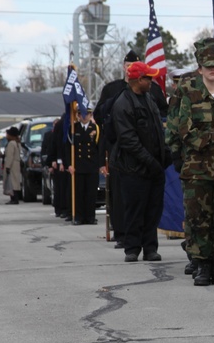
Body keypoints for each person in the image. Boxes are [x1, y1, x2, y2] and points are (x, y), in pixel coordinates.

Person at [171, 38, 214, 286]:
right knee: (199, 219)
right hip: (198, 168)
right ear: (200, 68)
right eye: (208, 66)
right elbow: (184, 130)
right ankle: (201, 264)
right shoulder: (189, 92)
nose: (213, 70)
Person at [112, 61, 170, 263]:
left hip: (153, 167)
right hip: (133, 168)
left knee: (153, 210)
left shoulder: (149, 99)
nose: (151, 81)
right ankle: (132, 248)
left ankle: (150, 248)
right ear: (137, 80)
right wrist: (151, 162)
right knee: (135, 209)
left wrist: (165, 156)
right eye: (148, 78)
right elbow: (129, 140)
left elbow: (158, 131)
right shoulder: (123, 104)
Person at [95, 49, 141, 247]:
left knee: (141, 195)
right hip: (118, 149)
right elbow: (99, 118)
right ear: (124, 67)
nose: (131, 69)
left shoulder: (149, 88)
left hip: (142, 150)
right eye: (128, 66)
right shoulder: (112, 90)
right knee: (119, 194)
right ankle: (121, 233)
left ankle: (141, 234)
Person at [68, 109, 101, 225]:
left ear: (91, 115)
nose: (84, 116)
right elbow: (68, 149)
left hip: (92, 165)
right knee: (79, 193)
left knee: (91, 193)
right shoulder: (73, 128)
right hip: (78, 166)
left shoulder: (95, 128)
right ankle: (79, 217)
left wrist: (101, 165)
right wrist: (69, 164)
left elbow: (99, 148)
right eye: (81, 113)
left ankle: (90, 216)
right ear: (77, 115)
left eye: (87, 114)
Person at [3, 126, 22, 204]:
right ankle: (15, 198)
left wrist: (7, 166)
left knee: (12, 182)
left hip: (12, 164)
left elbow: (10, 156)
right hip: (17, 164)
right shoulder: (17, 143)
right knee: (16, 181)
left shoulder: (11, 144)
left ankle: (14, 199)